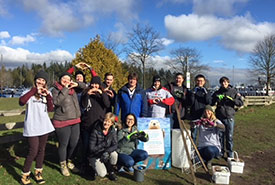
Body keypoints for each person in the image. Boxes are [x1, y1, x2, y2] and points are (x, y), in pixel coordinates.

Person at [19, 71, 55, 185]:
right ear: (35, 80)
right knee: (33, 151)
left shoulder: (47, 93)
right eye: (39, 79)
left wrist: (47, 96)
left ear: (45, 83)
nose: (41, 82)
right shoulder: (28, 92)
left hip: (44, 126)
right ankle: (25, 175)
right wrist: (34, 90)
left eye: (43, 80)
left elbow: (50, 109)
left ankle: (38, 173)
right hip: (32, 126)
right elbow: (21, 102)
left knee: (41, 150)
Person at [52, 72, 86, 176]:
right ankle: (63, 165)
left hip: (75, 120)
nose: (66, 80)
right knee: (64, 144)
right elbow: (57, 102)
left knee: (74, 143)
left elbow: (85, 86)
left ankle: (69, 160)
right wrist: (65, 89)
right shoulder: (56, 90)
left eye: (68, 78)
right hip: (62, 121)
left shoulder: (73, 89)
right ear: (60, 80)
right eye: (64, 78)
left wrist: (77, 84)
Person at [80, 76, 110, 172]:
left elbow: (107, 104)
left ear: (99, 85)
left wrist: (102, 94)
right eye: (92, 84)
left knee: (97, 145)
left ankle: (95, 163)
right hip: (87, 124)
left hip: (98, 125)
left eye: (96, 84)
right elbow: (83, 105)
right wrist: (87, 95)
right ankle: (84, 163)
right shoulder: (85, 92)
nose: (94, 86)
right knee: (86, 145)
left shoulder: (103, 93)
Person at [211, 76, 243, 158]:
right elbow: (211, 102)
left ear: (228, 83)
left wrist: (231, 99)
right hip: (220, 116)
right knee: (220, 136)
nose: (223, 84)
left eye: (225, 82)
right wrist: (216, 98)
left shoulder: (234, 92)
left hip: (229, 117)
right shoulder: (218, 92)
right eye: (222, 82)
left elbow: (240, 103)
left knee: (229, 136)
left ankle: (230, 153)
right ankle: (221, 152)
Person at [88, 112, 118, 181]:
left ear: (112, 124)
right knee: (102, 174)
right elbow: (91, 148)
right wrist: (103, 145)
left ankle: (111, 171)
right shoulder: (96, 130)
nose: (106, 123)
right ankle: (91, 167)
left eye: (109, 122)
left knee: (114, 155)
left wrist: (107, 151)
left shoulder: (112, 131)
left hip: (105, 152)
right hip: (94, 155)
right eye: (105, 121)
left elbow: (115, 144)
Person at [189, 74, 212, 143]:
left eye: (201, 81)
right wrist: (193, 94)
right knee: (193, 135)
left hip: (204, 116)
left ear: (204, 82)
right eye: (198, 81)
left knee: (204, 135)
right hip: (194, 115)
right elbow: (190, 103)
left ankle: (202, 150)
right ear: (196, 81)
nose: (199, 82)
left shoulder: (207, 91)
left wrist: (206, 93)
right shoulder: (192, 91)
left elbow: (208, 102)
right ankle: (192, 151)